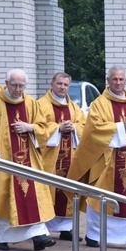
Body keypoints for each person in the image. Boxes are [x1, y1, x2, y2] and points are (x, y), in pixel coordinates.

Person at [66, 65, 126, 251]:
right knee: (101, 196)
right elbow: (93, 129)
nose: (118, 83)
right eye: (114, 79)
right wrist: (120, 127)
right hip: (107, 161)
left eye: (121, 79)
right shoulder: (100, 103)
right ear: (108, 81)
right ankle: (95, 235)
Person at [0, 69, 57, 251]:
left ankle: (39, 236)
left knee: (33, 196)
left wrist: (30, 127)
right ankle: (0, 238)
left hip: (27, 160)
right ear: (6, 83)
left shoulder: (31, 103)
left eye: (22, 86)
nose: (18, 89)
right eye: (15, 85)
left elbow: (43, 128)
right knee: (2, 196)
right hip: (3, 160)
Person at [37, 72, 86, 241]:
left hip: (69, 158)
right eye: (59, 84)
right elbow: (38, 127)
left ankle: (67, 228)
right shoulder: (41, 105)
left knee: (68, 191)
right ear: (52, 84)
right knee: (47, 190)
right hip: (49, 158)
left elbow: (84, 125)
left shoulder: (73, 107)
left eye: (66, 85)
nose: (62, 87)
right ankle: (42, 229)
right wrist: (57, 128)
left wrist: (74, 128)